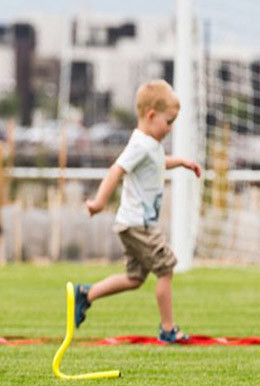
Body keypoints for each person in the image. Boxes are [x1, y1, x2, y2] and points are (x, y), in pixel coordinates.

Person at [77, 79, 201, 343]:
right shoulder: (140, 144)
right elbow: (116, 170)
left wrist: (181, 163)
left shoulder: (149, 145)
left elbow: (157, 163)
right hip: (138, 225)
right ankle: (168, 329)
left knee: (134, 278)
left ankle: (87, 294)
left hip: (132, 224)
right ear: (151, 115)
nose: (170, 129)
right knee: (166, 267)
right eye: (169, 122)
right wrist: (99, 203)